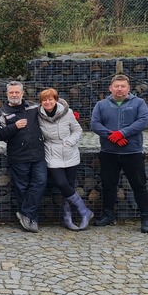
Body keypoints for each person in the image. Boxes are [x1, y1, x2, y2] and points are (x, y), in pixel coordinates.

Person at [91, 74, 148, 233]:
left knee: (139, 186)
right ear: (110, 88)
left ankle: (146, 218)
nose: (119, 89)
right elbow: (95, 124)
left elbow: (143, 121)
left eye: (122, 86)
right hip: (109, 152)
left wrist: (122, 133)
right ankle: (108, 215)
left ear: (128, 88)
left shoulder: (139, 103)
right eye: (116, 86)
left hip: (132, 152)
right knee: (108, 185)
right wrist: (112, 136)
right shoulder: (101, 105)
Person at [0, 81, 47, 233]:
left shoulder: (34, 107)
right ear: (7, 94)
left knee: (41, 182)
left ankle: (25, 214)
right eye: (11, 92)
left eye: (17, 92)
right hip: (18, 156)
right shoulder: (3, 112)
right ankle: (31, 219)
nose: (14, 95)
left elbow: (52, 108)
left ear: (22, 93)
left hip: (38, 154)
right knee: (22, 188)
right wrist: (14, 127)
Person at [38, 88, 93, 231]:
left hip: (70, 153)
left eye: (50, 99)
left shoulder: (67, 113)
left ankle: (68, 217)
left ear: (56, 100)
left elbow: (77, 130)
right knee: (61, 183)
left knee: (69, 186)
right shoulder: (38, 115)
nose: (47, 102)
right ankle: (84, 210)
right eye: (44, 100)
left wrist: (69, 142)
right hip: (52, 154)